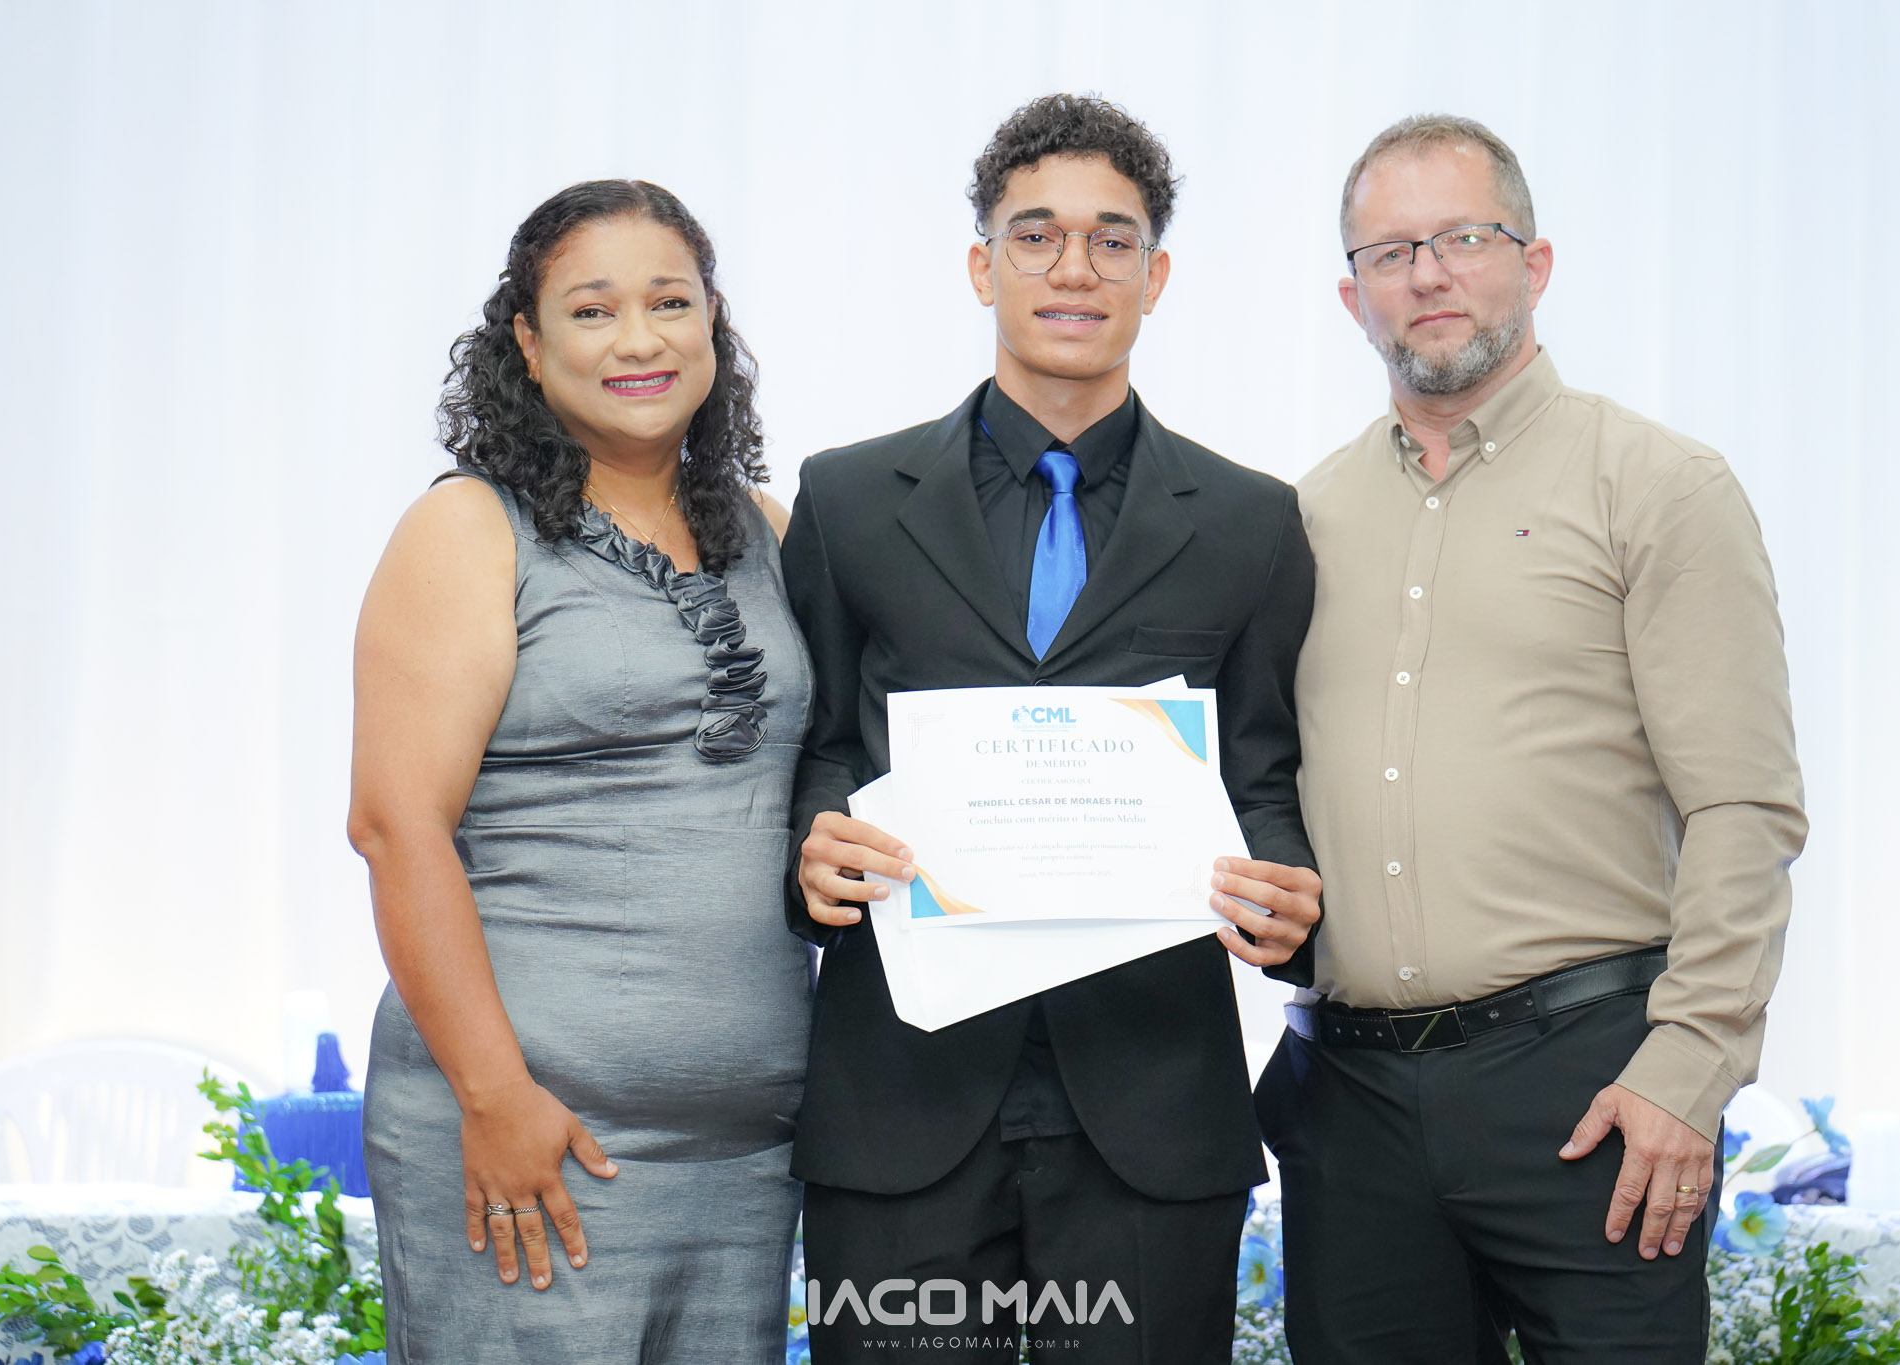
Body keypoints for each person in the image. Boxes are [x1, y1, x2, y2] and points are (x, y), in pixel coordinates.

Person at [1256, 114, 1806, 1364]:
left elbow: (1742, 807)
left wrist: (1687, 1069)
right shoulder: (1300, 517)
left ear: (1534, 262)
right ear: (1350, 296)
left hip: (1589, 1091)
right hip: (1349, 1106)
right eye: (1389, 252)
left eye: (1463, 237)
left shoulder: (1658, 487)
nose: (1427, 275)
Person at [782, 94, 1323, 1365]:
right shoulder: (848, 500)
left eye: (1110, 240)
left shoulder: (1249, 521)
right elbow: (813, 746)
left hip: (1151, 1106)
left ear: (1154, 277)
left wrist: (1289, 894)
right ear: (982, 266)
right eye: (1035, 235)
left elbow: (1263, 773)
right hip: (899, 1098)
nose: (1072, 268)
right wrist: (811, 848)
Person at [349, 180, 811, 1363]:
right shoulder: (470, 528)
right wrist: (495, 1098)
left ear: (714, 320)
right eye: (593, 311)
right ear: (527, 340)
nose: (639, 340)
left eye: (670, 302)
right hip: (535, 1136)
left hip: (748, 1150)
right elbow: (397, 828)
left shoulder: (770, 532)